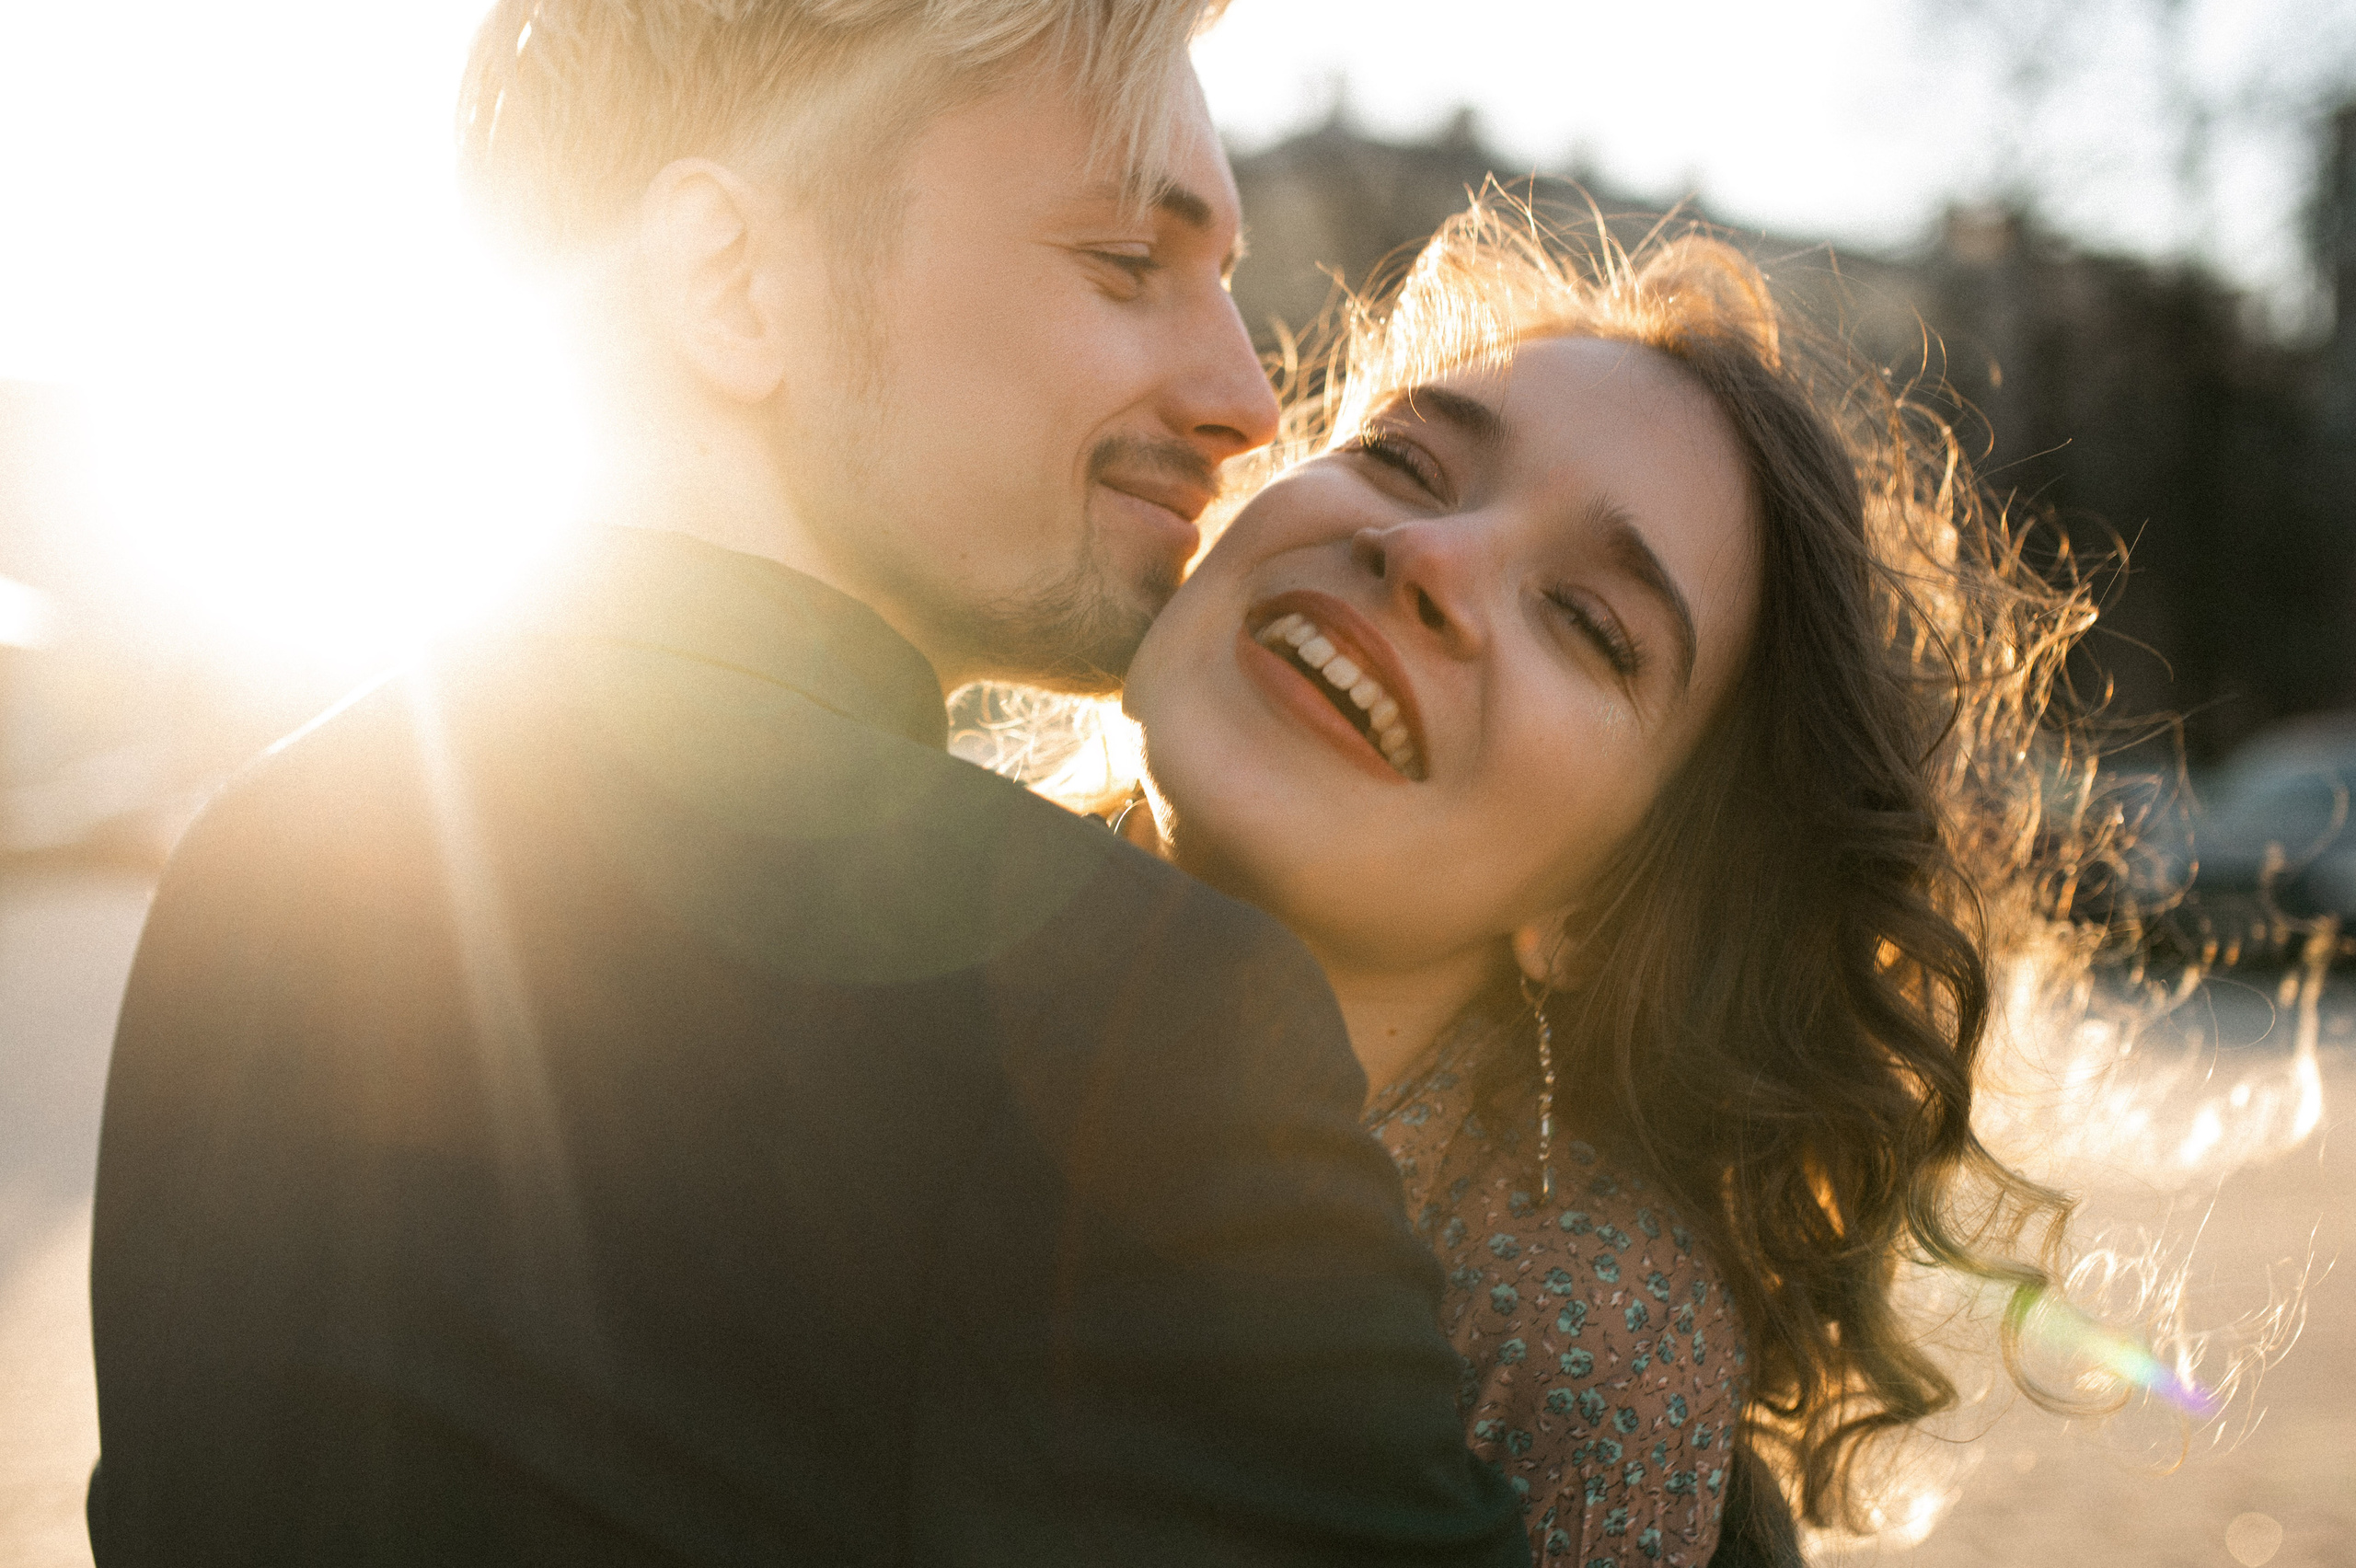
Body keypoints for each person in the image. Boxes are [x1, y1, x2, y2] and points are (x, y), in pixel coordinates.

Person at [83, 5, 1531, 1564]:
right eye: (1127, 265)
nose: (1247, 395)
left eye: (1229, 288)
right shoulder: (1132, 1010)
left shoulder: (250, 862)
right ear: (729, 282)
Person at [1112, 198, 2105, 1564]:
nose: (1430, 556)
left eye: (1588, 621)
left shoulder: (1564, 1342)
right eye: (1403, 460)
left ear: (1598, 907)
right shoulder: (820, 941)